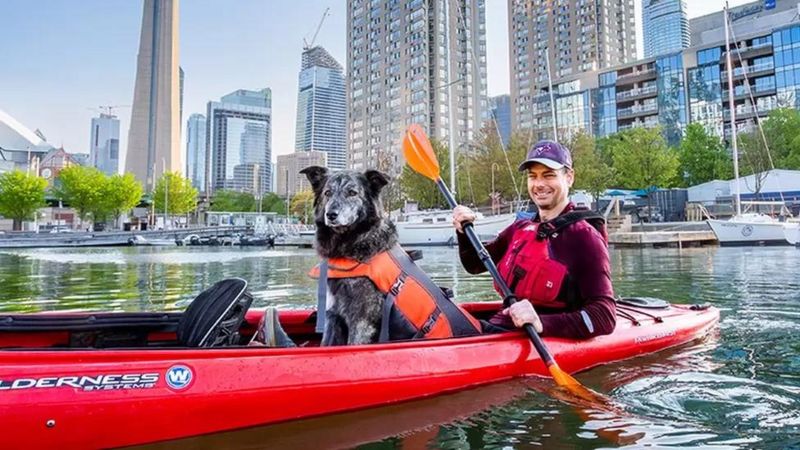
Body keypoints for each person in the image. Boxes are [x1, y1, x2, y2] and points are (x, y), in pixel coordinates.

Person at [452, 140, 616, 339]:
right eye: (533, 176)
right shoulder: (520, 229)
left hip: (535, 336)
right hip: (502, 327)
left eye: (549, 175)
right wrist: (463, 231)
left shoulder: (583, 237)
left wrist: (541, 323)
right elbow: (474, 265)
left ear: (569, 177)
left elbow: (605, 316)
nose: (539, 184)